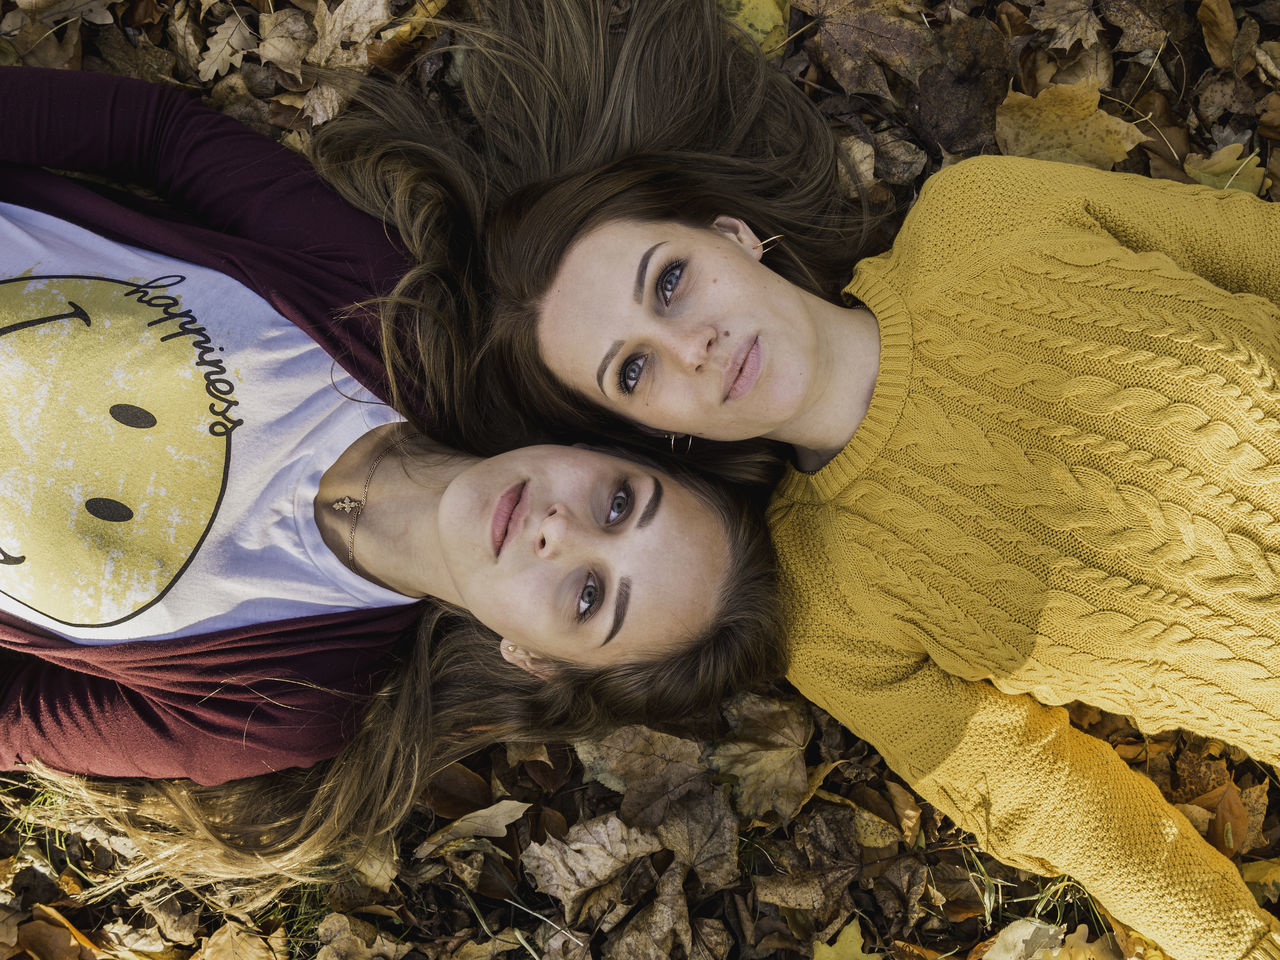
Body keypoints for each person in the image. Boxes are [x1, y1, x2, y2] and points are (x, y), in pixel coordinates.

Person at [318, 1, 1280, 956]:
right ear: (645, 433)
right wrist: (1232, 943)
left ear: (732, 234)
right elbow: (1048, 799)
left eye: (668, 282)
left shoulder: (981, 216)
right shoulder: (829, 608)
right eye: (635, 371)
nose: (689, 346)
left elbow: (1248, 247)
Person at [0, 65, 784, 904]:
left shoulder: (279, 702)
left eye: (589, 596)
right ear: (599, 447)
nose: (561, 528)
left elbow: (12, 721)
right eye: (620, 503)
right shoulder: (389, 301)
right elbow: (156, 134)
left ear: (533, 658)